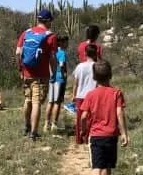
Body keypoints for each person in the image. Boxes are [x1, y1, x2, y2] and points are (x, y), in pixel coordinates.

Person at [79, 59, 128, 175]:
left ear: (94, 77)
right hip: (111, 135)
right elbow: (119, 113)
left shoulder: (91, 95)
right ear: (111, 75)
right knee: (107, 166)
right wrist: (124, 133)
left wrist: (83, 130)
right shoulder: (116, 93)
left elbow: (83, 116)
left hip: (96, 135)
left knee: (96, 167)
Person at [16, 8, 58, 141]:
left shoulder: (26, 33)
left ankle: (27, 126)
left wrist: (20, 69)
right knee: (36, 103)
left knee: (27, 100)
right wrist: (54, 72)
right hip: (41, 75)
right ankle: (34, 132)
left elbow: (18, 52)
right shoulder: (50, 36)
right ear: (48, 21)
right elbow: (52, 58)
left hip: (26, 73)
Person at [68, 43, 99, 146]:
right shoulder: (97, 66)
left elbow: (76, 83)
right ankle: (88, 138)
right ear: (96, 54)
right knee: (91, 118)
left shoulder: (80, 66)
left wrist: (74, 95)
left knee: (79, 118)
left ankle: (79, 139)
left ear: (85, 53)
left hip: (80, 96)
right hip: (93, 95)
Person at [44, 34, 70, 133]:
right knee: (57, 102)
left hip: (52, 78)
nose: (67, 44)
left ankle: (46, 124)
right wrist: (64, 75)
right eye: (66, 42)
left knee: (50, 102)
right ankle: (54, 124)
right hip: (60, 78)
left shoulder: (53, 52)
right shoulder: (62, 52)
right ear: (62, 42)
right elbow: (62, 64)